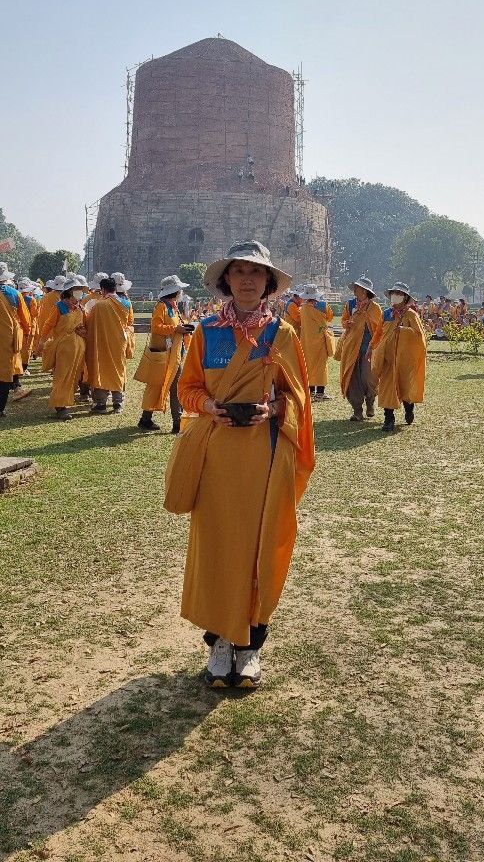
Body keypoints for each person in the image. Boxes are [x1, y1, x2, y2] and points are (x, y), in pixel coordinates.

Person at [164, 240, 314, 689]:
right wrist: (209, 405)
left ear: (267, 283)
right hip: (216, 457)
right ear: (226, 280)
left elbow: (299, 397)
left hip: (264, 457)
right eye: (239, 272)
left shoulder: (281, 334)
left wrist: (273, 410)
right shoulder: (206, 331)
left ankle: (250, 646)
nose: (247, 280)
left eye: (256, 273)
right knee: (216, 546)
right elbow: (186, 388)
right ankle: (219, 644)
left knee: (259, 547)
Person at [136, 275, 193, 433]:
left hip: (172, 355)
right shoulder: (161, 306)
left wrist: (182, 329)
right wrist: (175, 329)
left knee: (168, 387)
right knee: (160, 386)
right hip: (164, 355)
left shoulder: (172, 306)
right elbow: (156, 327)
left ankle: (150, 419)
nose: (181, 292)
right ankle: (175, 422)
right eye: (179, 289)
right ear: (175, 291)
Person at [370, 282, 427, 432]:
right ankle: (389, 418)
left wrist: (404, 330)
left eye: (399, 294)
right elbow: (378, 333)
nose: (395, 296)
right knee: (386, 388)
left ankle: (409, 409)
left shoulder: (411, 314)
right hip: (387, 358)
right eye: (393, 293)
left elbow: (419, 335)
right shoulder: (386, 314)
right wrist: (371, 347)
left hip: (405, 360)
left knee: (405, 387)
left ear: (405, 297)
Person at [40, 274, 88, 420]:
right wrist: (41, 342)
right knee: (62, 375)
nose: (80, 293)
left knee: (74, 376)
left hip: (78, 347)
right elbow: (48, 325)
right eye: (78, 290)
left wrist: (83, 331)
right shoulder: (59, 307)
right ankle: (60, 407)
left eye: (81, 290)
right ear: (70, 291)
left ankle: (66, 402)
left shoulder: (80, 307)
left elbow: (84, 327)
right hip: (64, 348)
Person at [339, 277, 383, 421]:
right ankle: (357, 410)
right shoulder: (350, 304)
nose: (355, 290)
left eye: (357, 288)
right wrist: (348, 323)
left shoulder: (375, 308)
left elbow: (379, 329)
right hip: (351, 348)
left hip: (369, 348)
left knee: (369, 377)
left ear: (364, 291)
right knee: (352, 378)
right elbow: (344, 321)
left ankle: (370, 401)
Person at [85, 276, 132, 412]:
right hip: (119, 342)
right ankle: (118, 403)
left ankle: (101, 403)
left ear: (103, 290)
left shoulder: (99, 305)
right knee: (118, 369)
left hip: (102, 341)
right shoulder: (126, 303)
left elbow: (89, 323)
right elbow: (128, 323)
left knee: (101, 369)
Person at [0, 262, 31, 417]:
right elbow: (26, 320)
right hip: (8, 339)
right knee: (5, 373)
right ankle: (0, 408)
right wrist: (26, 334)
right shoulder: (14, 294)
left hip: (7, 337)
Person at [299, 284, 335, 400]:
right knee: (321, 366)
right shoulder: (324, 306)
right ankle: (320, 393)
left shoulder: (302, 308)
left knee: (308, 365)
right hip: (320, 340)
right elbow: (330, 318)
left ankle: (310, 392)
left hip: (306, 341)